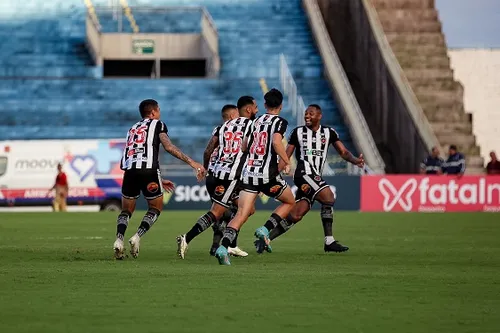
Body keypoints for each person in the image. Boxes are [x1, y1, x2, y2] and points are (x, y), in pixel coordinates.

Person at [254, 104, 364, 253]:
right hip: (304, 173)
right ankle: (329, 241)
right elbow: (286, 155)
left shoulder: (329, 132)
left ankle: (265, 240)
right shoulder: (298, 132)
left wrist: (356, 160)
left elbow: (343, 152)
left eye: (311, 114)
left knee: (296, 214)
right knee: (328, 197)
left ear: (319, 116)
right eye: (306, 113)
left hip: (315, 176)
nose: (307, 116)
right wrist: (272, 176)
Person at [113, 99, 205, 260]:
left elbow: (136, 154)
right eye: (159, 109)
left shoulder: (132, 128)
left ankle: (119, 240)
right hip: (149, 170)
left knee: (126, 210)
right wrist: (192, 163)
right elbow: (169, 147)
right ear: (154, 112)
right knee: (155, 207)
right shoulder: (158, 124)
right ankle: (137, 237)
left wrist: (159, 179)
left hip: (129, 171)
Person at [215, 88, 296, 265]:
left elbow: (244, 146)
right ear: (281, 105)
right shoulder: (280, 122)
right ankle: (265, 229)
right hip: (267, 174)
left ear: (265, 104)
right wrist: (286, 161)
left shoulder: (256, 121)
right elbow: (276, 141)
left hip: (249, 173)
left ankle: (223, 247)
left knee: (241, 213)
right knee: (290, 201)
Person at [176, 103, 253, 259]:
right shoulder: (244, 127)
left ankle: (229, 245)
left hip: (215, 173)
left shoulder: (220, 129)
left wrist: (204, 169)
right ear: (232, 116)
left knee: (244, 209)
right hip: (229, 174)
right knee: (218, 212)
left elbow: (208, 150)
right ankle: (188, 238)